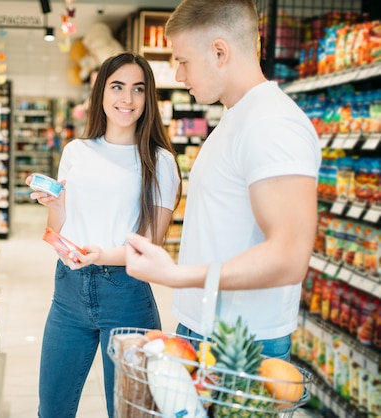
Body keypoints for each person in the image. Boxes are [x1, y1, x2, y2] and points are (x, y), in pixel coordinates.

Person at [125, 0, 321, 361]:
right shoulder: (237, 118)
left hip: (242, 343)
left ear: (219, 52)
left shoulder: (271, 125)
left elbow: (289, 256)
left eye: (183, 61)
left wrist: (177, 275)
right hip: (207, 329)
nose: (180, 76)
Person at [28, 52, 181, 418]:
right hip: (68, 290)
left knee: (130, 413)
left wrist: (101, 255)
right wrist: (56, 205)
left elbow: (151, 246)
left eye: (137, 89)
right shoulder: (76, 151)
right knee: (52, 409)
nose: (126, 100)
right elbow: (58, 227)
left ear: (148, 98)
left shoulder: (159, 161)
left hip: (125, 294)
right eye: (117, 87)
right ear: (101, 93)